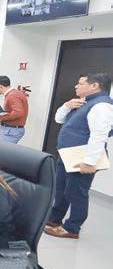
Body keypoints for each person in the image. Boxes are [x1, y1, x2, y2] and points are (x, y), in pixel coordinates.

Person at [45, 73, 113, 239]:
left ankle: (72, 228)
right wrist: (67, 106)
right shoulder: (83, 102)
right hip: (68, 155)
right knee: (61, 189)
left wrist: (89, 162)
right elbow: (59, 119)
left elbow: (99, 135)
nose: (76, 86)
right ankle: (55, 219)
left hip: (82, 158)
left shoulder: (102, 106)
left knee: (76, 193)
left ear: (94, 86)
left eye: (80, 83)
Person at [0, 76, 28, 144]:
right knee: (3, 150)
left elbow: (18, 113)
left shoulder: (12, 95)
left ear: (0, 86)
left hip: (11, 131)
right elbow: (13, 112)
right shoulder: (14, 94)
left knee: (2, 150)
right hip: (11, 130)